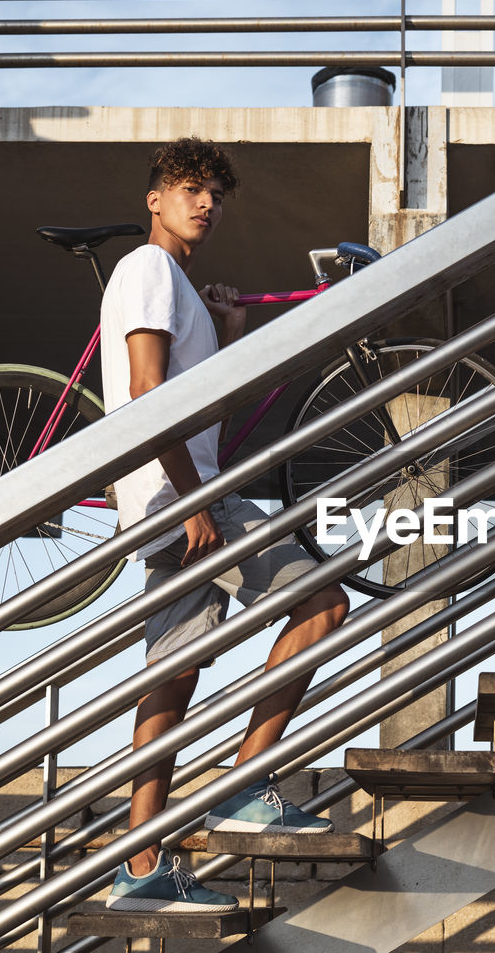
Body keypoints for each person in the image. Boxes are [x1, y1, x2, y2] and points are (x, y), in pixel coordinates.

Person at [100, 136, 350, 913]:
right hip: (186, 498)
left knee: (173, 676)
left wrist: (230, 329)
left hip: (170, 498)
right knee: (323, 603)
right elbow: (147, 393)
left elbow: (199, 410)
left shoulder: (174, 282)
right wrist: (195, 501)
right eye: (188, 187)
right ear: (155, 197)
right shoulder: (146, 269)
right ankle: (242, 789)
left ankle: (140, 866)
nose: (204, 202)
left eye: (214, 192)